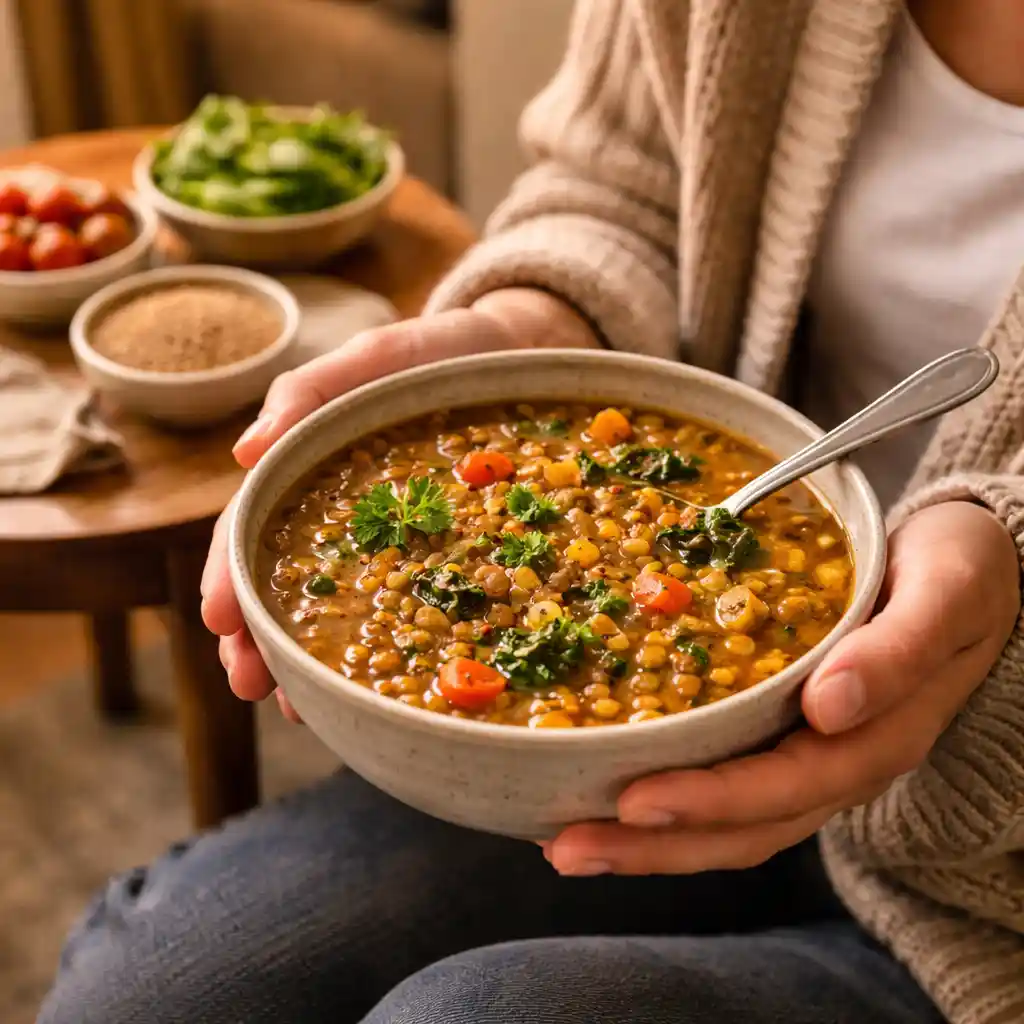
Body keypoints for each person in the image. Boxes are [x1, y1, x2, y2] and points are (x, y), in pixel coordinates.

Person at [39, 1, 1024, 1022]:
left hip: (987, 887)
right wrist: (533, 326)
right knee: (146, 995)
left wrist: (1005, 591)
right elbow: (618, 187)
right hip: (600, 771)